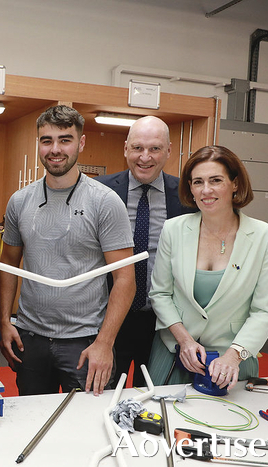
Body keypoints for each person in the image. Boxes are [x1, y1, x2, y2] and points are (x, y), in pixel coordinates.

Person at [0, 105, 135, 396]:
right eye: (46, 140)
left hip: (84, 343)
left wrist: (105, 343)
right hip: (30, 339)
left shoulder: (105, 202)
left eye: (65, 139)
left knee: (87, 429)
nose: (55, 149)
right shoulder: (20, 201)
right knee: (34, 425)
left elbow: (125, 279)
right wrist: (5, 322)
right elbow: (8, 262)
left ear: (81, 143)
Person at [148, 145, 268, 390]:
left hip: (232, 360)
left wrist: (233, 356)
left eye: (216, 180)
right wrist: (185, 341)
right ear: (190, 188)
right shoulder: (173, 229)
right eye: (198, 182)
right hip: (174, 353)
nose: (206, 190)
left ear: (235, 184)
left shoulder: (266, 238)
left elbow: (264, 311)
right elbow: (160, 294)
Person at [96, 116, 195, 387]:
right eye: (138, 148)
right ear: (125, 148)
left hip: (162, 321)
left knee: (152, 399)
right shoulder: (100, 191)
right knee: (99, 395)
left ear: (169, 151)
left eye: (154, 149)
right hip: (108, 317)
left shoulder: (188, 196)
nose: (145, 157)